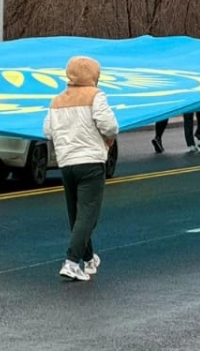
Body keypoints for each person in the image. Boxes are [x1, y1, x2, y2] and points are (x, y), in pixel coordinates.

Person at [43, 56, 118, 281]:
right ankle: (71, 262)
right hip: (91, 162)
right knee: (88, 215)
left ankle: (88, 260)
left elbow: (48, 131)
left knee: (76, 214)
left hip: (66, 163)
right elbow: (110, 125)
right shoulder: (95, 96)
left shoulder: (56, 100)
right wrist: (108, 139)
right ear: (94, 75)